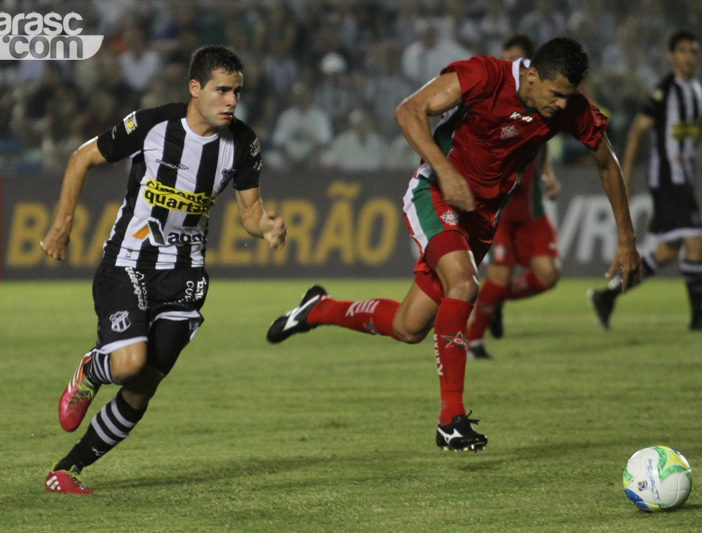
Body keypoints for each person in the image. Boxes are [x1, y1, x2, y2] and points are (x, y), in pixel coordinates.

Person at [267, 37, 641, 453]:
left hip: (481, 218)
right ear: (532, 75)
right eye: (555, 94)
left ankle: (317, 309)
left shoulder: (570, 106)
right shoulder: (485, 76)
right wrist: (445, 172)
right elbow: (408, 110)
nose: (560, 105)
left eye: (567, 97)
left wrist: (626, 239)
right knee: (465, 285)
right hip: (435, 192)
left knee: (409, 327)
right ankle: (451, 421)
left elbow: (607, 162)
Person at [40, 45, 286, 494]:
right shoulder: (154, 124)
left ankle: (67, 470)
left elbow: (250, 212)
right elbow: (81, 158)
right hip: (128, 261)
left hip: (186, 276)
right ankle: (93, 370)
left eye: (237, 92)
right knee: (129, 363)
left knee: (142, 386)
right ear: (195, 89)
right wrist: (61, 226)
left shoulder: (243, 142)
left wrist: (264, 227)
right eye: (222, 90)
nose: (232, 101)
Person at [588, 30, 702, 332]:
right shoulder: (664, 92)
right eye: (682, 51)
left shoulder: (698, 91)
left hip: (684, 178)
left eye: (693, 51)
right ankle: (698, 318)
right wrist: (626, 178)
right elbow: (636, 132)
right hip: (667, 179)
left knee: (668, 251)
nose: (688, 56)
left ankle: (606, 297)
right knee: (696, 240)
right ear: (671, 57)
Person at [466, 34, 562, 361]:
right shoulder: (495, 101)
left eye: (519, 61)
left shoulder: (546, 105)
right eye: (508, 59)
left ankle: (493, 301)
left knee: (549, 275)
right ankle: (473, 341)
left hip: (531, 207)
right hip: (502, 208)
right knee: (499, 274)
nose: (513, 67)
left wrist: (548, 176)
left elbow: (543, 148)